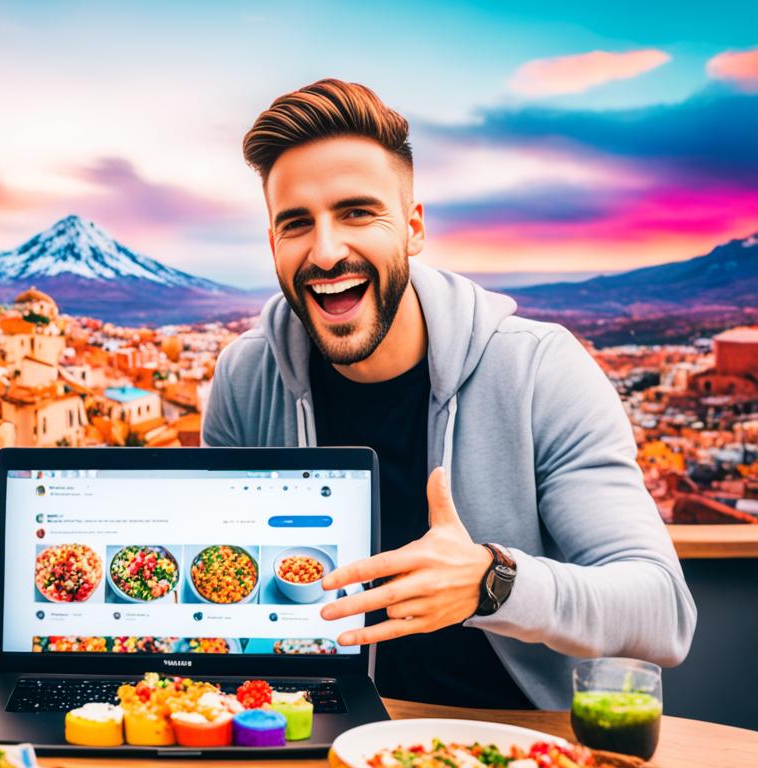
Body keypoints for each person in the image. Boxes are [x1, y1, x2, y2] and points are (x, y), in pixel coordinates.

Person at [203, 79, 696, 710]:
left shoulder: (539, 370)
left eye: (357, 212)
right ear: (274, 244)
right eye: (297, 223)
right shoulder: (246, 379)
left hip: (514, 741)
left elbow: (663, 612)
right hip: (308, 735)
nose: (326, 251)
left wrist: (492, 583)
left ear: (412, 228)